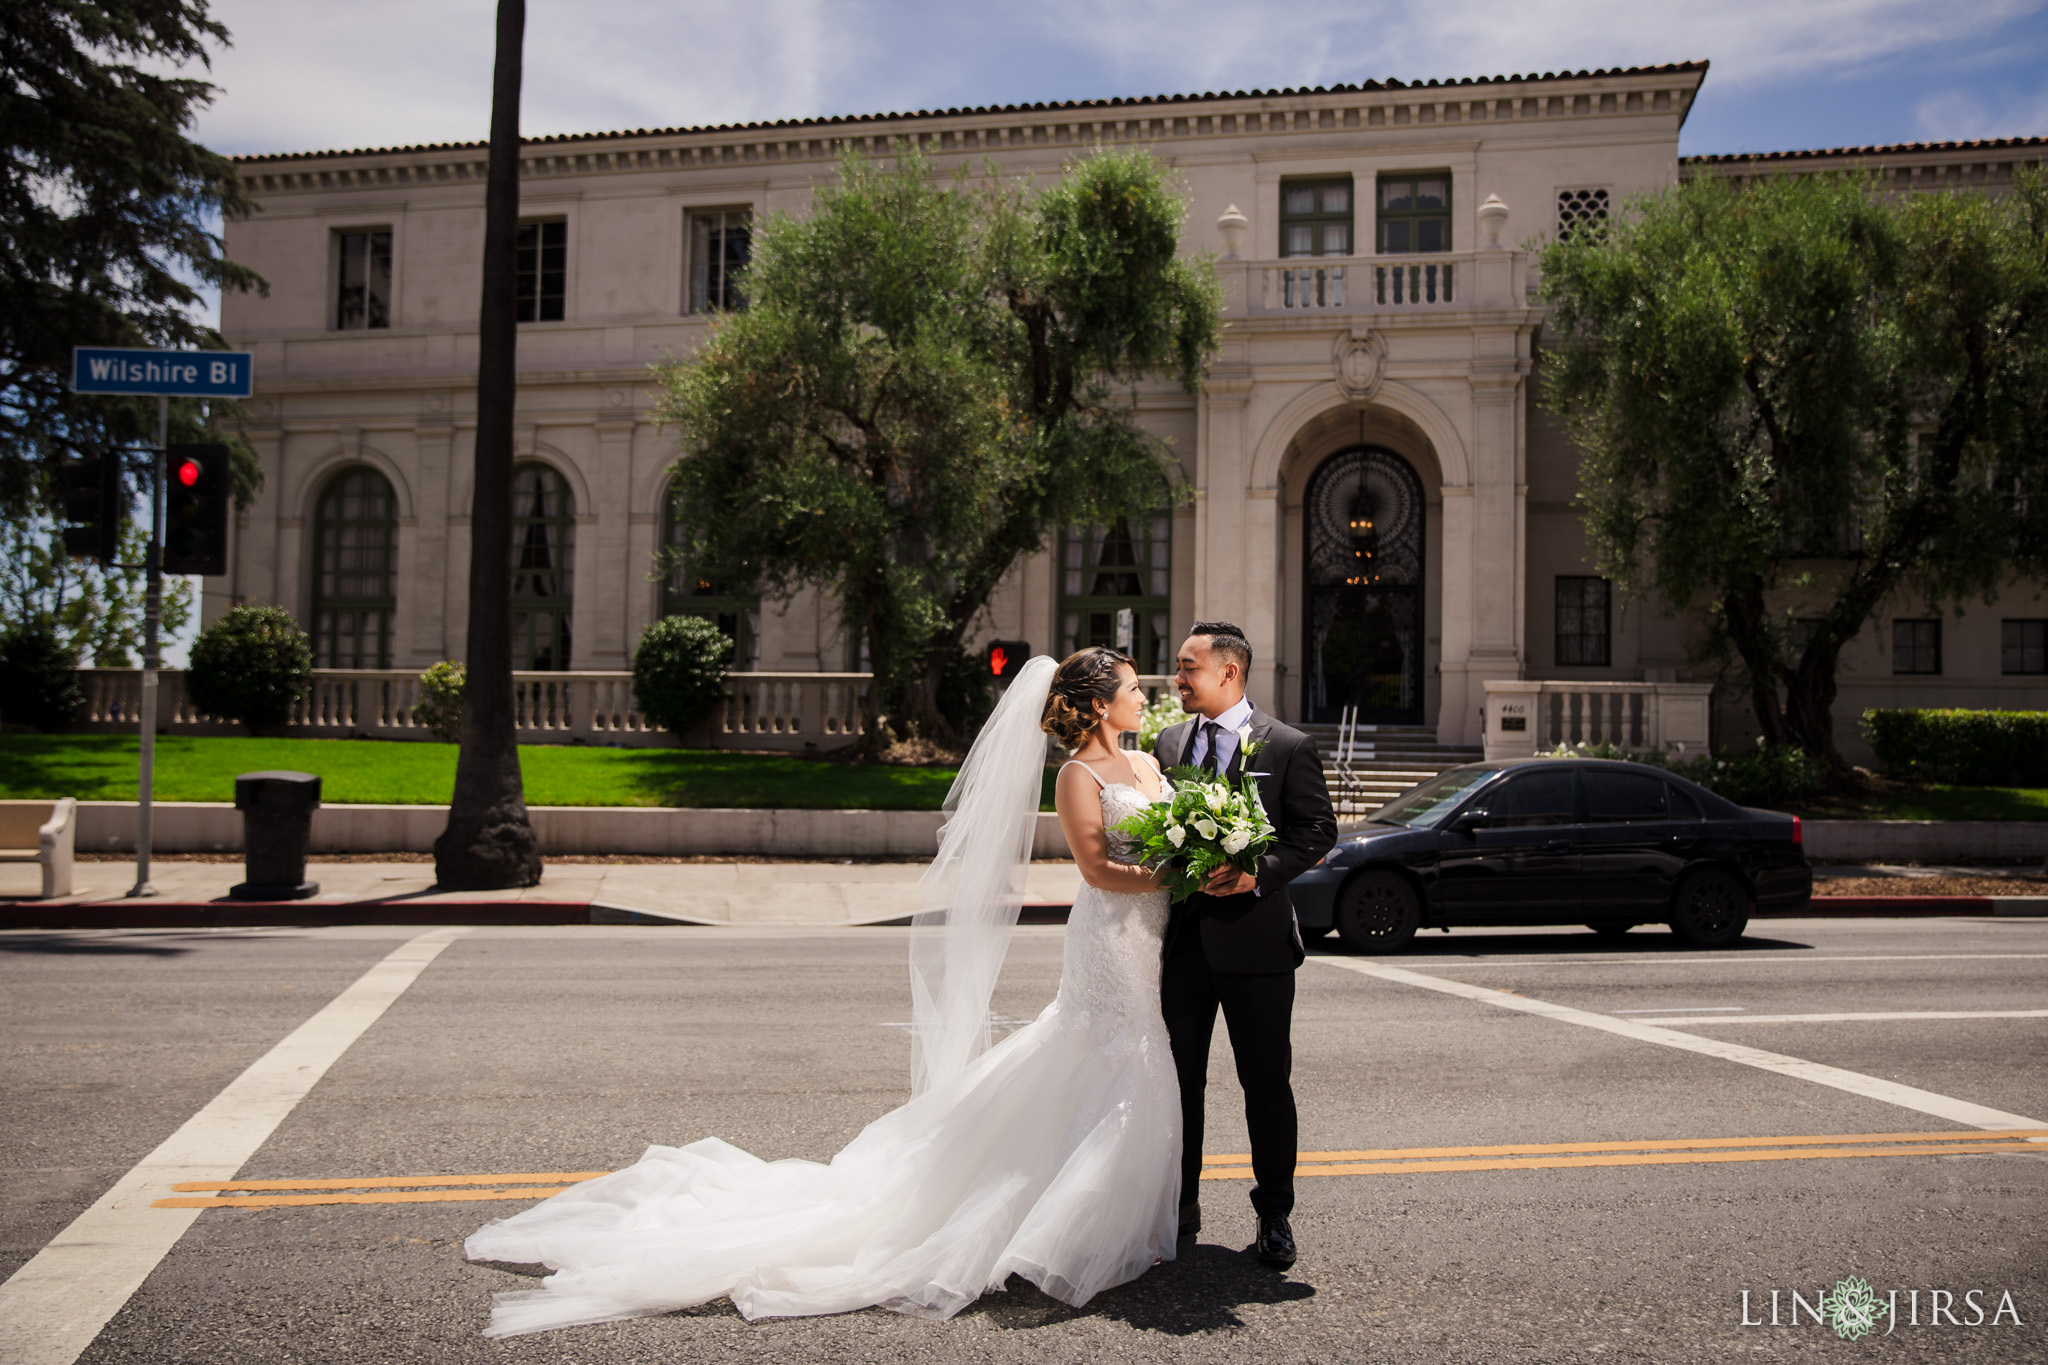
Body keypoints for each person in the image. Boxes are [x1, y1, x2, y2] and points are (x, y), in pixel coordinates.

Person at [464, 647, 1182, 1335]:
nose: (1144, 694)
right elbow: (1096, 870)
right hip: (1109, 933)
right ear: (1096, 703)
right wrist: (1179, 876)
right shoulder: (1078, 776)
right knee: (1110, 1053)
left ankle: (1104, 1219)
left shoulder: (1147, 760)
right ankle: (1068, 1227)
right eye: (1132, 686)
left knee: (1121, 1060)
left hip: (1150, 934)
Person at [1152, 622, 1336, 1267]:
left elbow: (1317, 830)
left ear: (1228, 672)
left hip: (1257, 948)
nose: (1177, 677)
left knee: (1265, 1083)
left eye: (1187, 667)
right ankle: (1180, 1208)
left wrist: (1259, 875)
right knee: (1179, 1086)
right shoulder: (1169, 742)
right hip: (1182, 947)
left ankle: (1276, 1214)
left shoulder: (1287, 745)